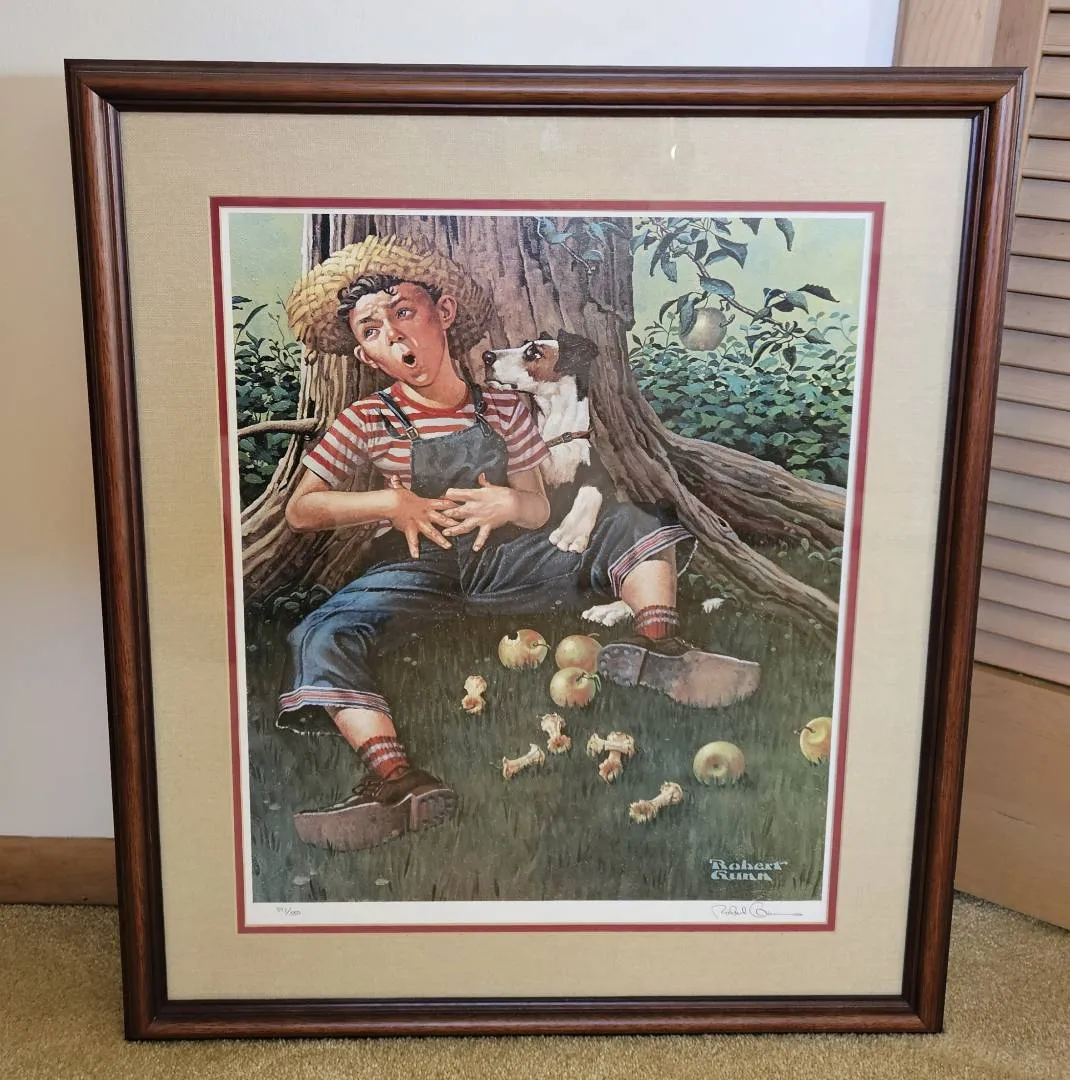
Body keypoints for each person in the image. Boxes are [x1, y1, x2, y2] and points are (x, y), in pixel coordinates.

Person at [277, 235, 760, 852]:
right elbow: (302, 509)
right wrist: (390, 504)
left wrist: (510, 503)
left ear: (443, 313)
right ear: (365, 354)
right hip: (415, 566)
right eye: (372, 331)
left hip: (505, 559)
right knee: (321, 632)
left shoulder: (503, 407)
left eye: (404, 312)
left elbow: (536, 508)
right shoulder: (365, 419)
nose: (394, 336)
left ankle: (659, 648)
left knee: (632, 522)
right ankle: (396, 781)